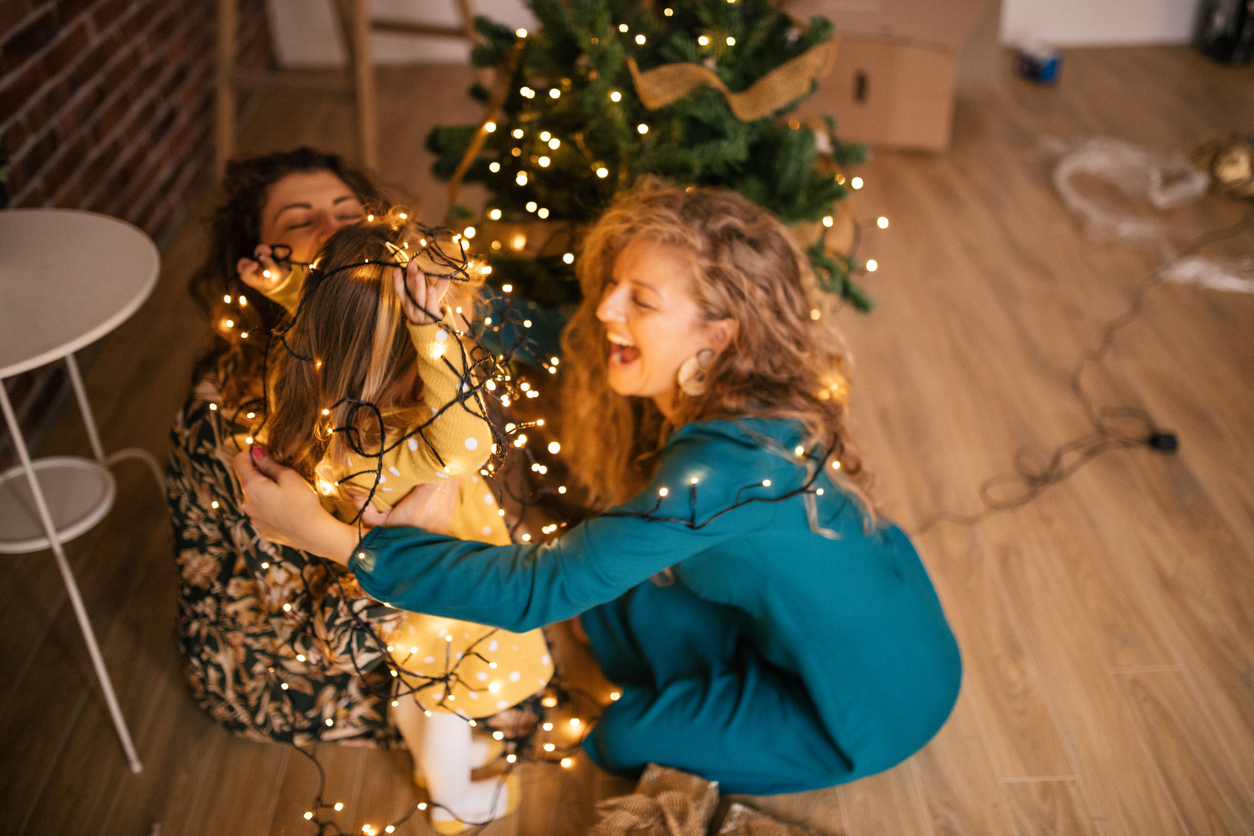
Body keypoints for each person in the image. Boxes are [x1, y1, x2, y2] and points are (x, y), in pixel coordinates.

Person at [233, 180, 963, 795]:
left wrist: (322, 535)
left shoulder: (727, 474)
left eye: (639, 300)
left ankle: (728, 704)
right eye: (614, 283)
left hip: (869, 702)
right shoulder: (739, 386)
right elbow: (539, 335)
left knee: (615, 736)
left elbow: (535, 594)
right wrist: (316, 287)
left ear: (718, 334)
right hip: (828, 614)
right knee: (612, 609)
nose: (606, 308)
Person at [169, 149, 536, 764]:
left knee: (500, 677)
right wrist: (395, 543)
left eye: (348, 211)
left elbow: (321, 307)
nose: (334, 228)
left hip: (393, 594)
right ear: (252, 257)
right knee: (488, 699)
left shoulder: (378, 354)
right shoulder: (242, 417)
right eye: (298, 220)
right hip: (294, 660)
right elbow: (320, 638)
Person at [249, 212, 549, 828]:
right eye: (450, 331)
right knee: (445, 702)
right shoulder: (400, 440)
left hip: (404, 593)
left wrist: (288, 292)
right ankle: (453, 803)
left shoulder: (323, 410)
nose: (459, 338)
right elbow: (471, 443)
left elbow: (338, 324)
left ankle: (439, 764)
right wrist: (431, 336)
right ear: (409, 354)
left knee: (419, 695)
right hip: (450, 590)